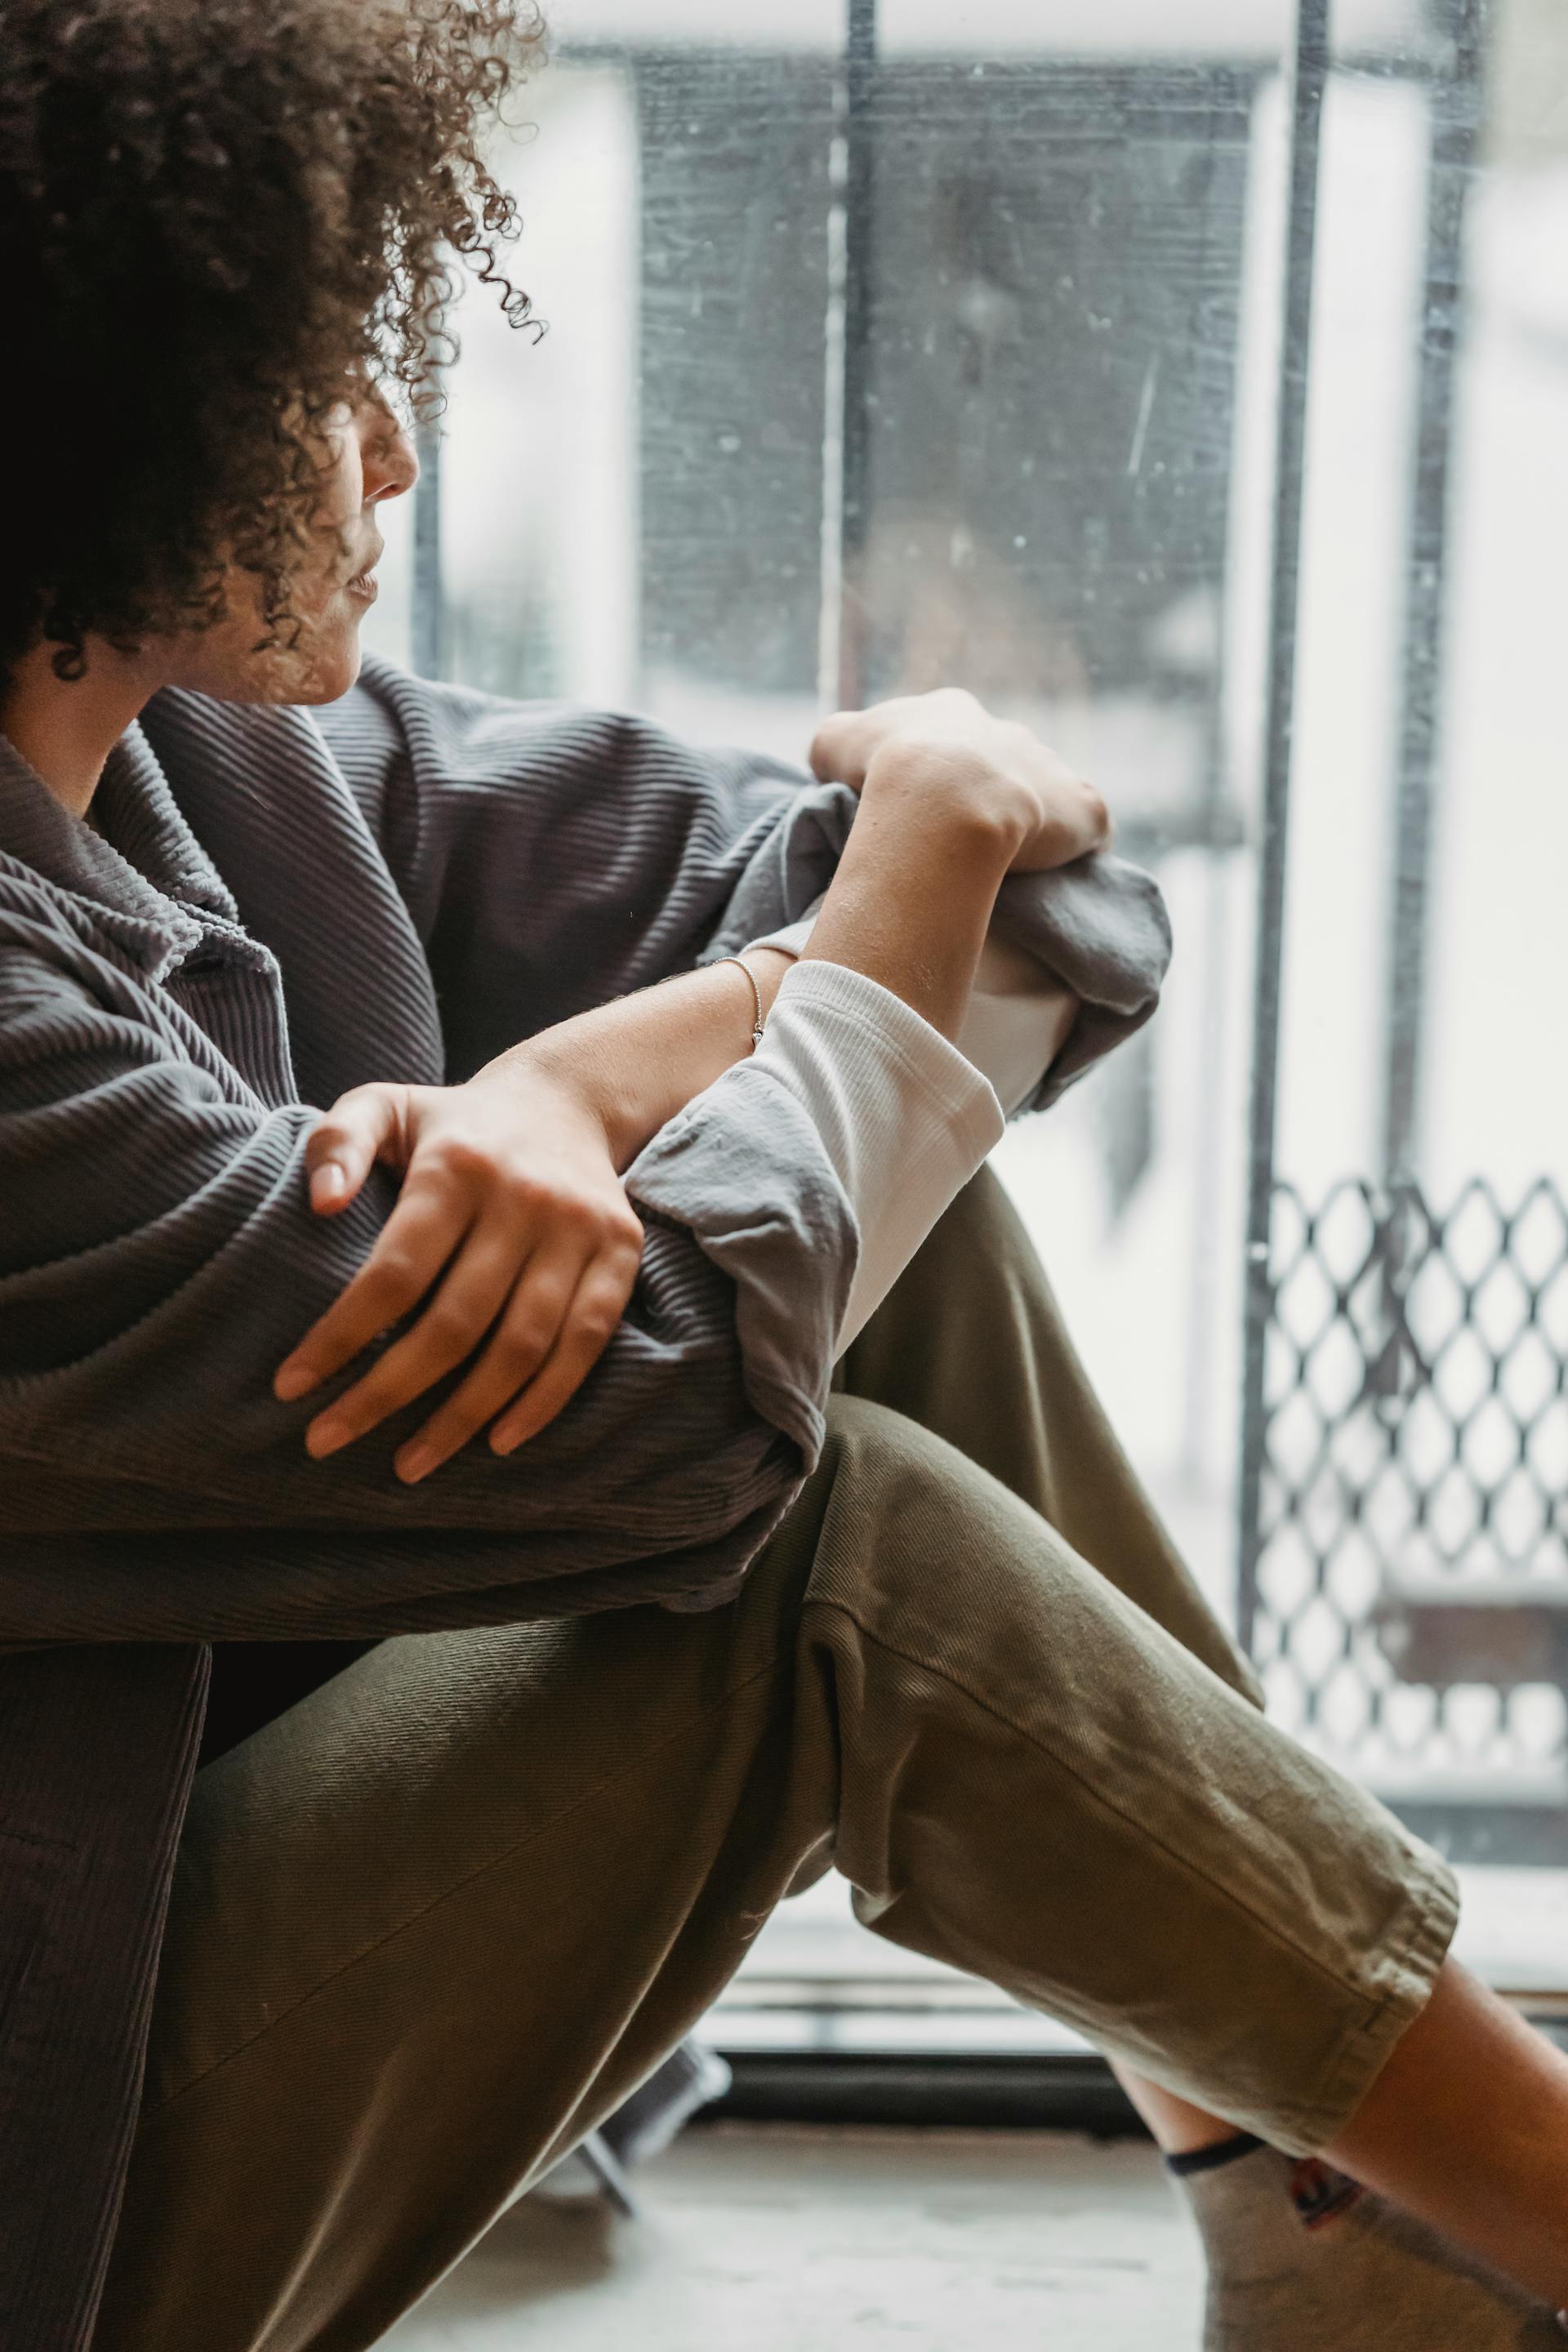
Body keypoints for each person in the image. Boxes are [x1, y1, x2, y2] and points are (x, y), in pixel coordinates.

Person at [2, 4, 1567, 2350]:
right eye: (324, 369)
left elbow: (1042, 924)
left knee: (878, 1235)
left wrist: (608, 1069)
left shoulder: (228, 763)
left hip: (188, 1980)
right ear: (99, 415)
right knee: (830, 1550)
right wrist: (873, 907)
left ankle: (1321, 2207)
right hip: (57, 2163)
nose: (395, 448)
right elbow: (684, 1436)